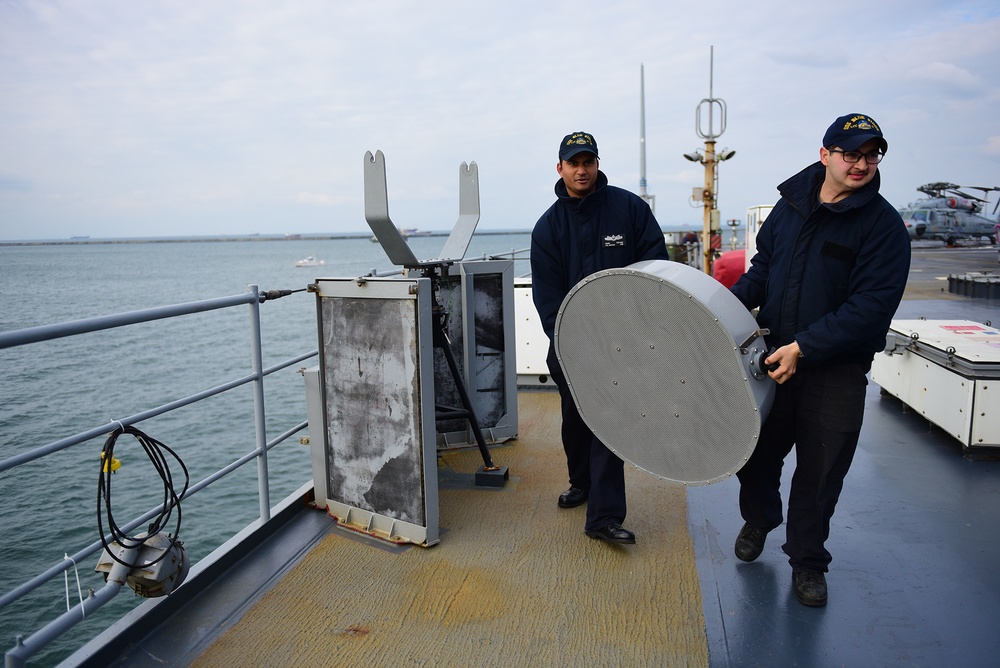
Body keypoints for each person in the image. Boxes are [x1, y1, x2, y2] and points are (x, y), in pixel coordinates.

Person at [728, 114, 911, 606]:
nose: (861, 163)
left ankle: (807, 561)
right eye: (851, 153)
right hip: (773, 359)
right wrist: (721, 305)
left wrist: (804, 348)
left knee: (821, 470)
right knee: (755, 454)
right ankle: (760, 518)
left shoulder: (883, 226)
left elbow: (870, 307)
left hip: (835, 370)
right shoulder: (790, 207)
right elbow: (762, 271)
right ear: (825, 153)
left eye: (871, 155)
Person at [530, 131, 669, 544]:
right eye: (573, 163)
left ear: (597, 164)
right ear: (560, 168)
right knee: (575, 422)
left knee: (610, 422)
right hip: (570, 344)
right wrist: (569, 339)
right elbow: (547, 297)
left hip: (622, 343)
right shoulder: (548, 228)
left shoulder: (629, 209)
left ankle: (604, 517)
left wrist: (640, 331)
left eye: (587, 161)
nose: (581, 170)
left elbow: (655, 267)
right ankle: (582, 483)